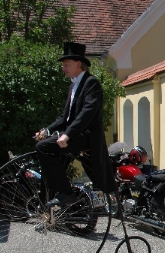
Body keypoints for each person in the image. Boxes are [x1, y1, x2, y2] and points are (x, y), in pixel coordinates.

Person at [35, 42, 116, 207]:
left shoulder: (91, 83)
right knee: (45, 148)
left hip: (86, 137)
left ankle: (67, 193)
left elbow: (88, 112)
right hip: (75, 135)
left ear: (78, 64)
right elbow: (65, 117)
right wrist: (47, 130)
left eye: (66, 64)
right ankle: (50, 198)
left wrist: (67, 134)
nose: (63, 68)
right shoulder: (73, 86)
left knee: (43, 147)